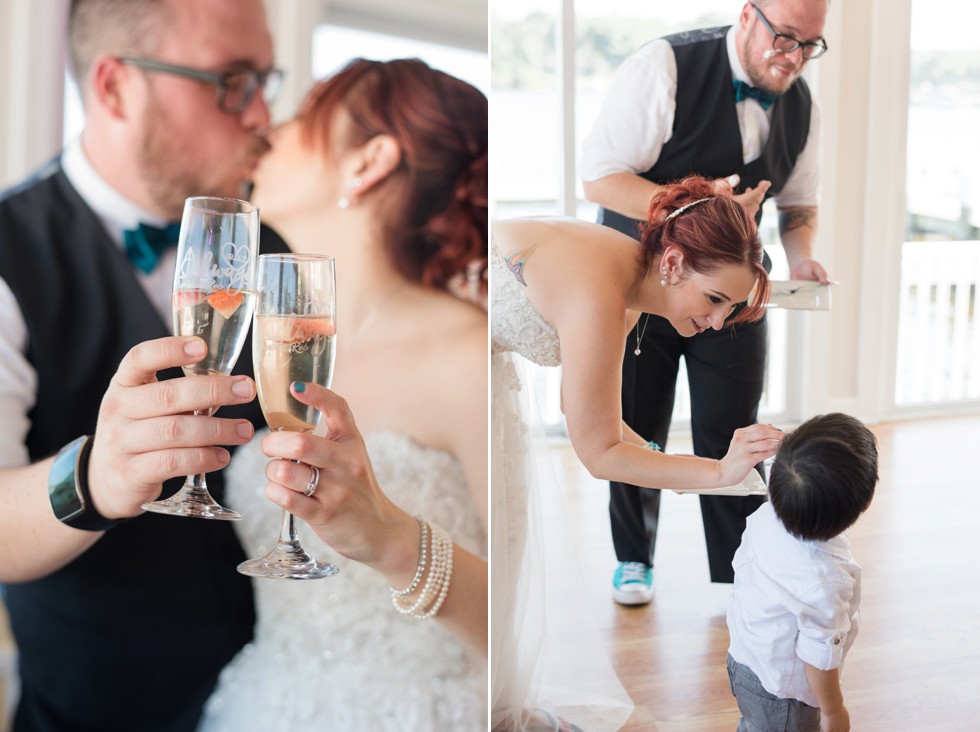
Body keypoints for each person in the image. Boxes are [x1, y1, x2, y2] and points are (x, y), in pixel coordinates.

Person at [0, 1, 289, 729]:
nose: (263, 117)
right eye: (231, 81)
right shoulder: (9, 253)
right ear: (114, 88)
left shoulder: (274, 248)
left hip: (276, 692)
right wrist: (92, 478)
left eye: (264, 80)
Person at [196, 58, 488, 732]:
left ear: (369, 161)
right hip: (268, 702)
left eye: (304, 115)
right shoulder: (260, 344)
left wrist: (394, 542)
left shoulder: (464, 356)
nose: (270, 127)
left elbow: (524, 617)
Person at [491, 175, 785, 731]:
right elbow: (598, 452)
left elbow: (593, 416)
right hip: (461, 366)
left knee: (504, 546)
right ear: (673, 262)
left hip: (485, 371)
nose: (719, 322)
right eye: (715, 299)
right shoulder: (601, 289)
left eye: (731, 307)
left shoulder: (626, 287)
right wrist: (718, 472)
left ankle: (498, 707)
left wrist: (678, 467)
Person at [579, 0, 833, 604]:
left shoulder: (802, 108)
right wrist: (701, 209)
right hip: (641, 284)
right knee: (636, 425)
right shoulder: (665, 65)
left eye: (809, 45)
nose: (794, 57)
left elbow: (799, 203)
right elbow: (599, 176)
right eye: (785, 37)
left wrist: (800, 255)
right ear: (748, 16)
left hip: (736, 297)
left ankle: (736, 571)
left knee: (733, 429)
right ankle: (634, 558)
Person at [726, 412, 878, 732]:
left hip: (744, 657)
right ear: (865, 503)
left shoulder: (770, 511)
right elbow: (818, 658)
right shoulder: (826, 580)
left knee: (753, 724)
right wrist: (833, 711)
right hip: (785, 695)